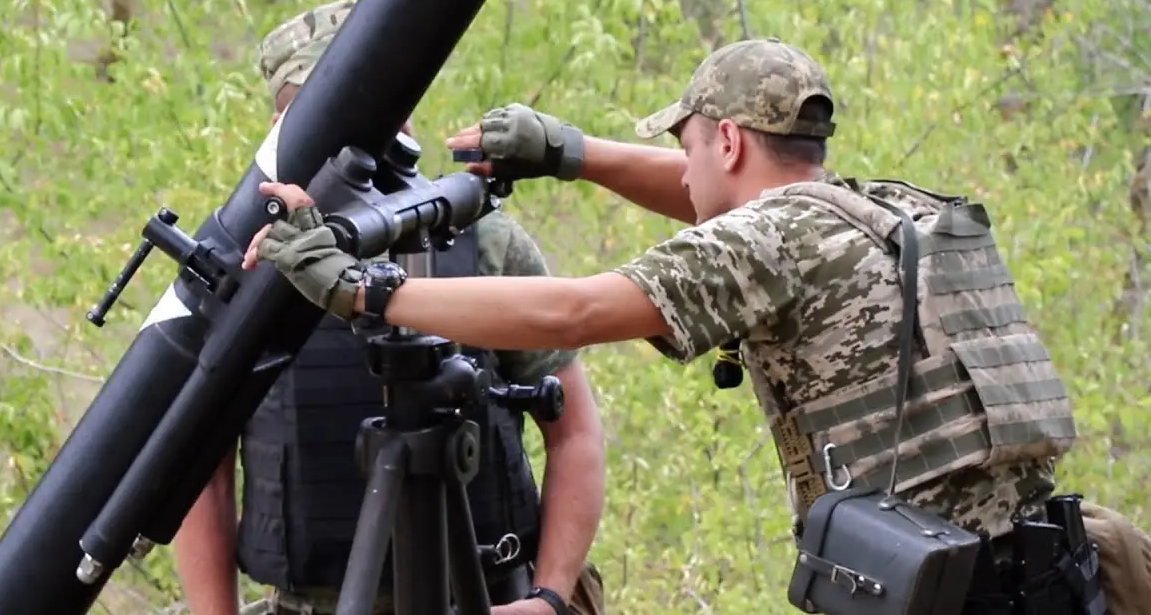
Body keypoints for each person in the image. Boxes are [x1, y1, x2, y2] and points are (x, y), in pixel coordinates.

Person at [243, 36, 1144, 613]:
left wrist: (365, 290)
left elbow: (577, 308)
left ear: (728, 143)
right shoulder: (877, 208)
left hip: (956, 597)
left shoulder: (763, 242)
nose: (682, 165)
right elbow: (716, 202)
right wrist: (570, 154)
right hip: (1056, 572)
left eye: (687, 142)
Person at [172, 0, 608, 615]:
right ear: (281, 128)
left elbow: (574, 431)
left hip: (488, 594)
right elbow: (201, 474)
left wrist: (552, 595)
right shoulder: (240, 258)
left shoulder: (478, 238)